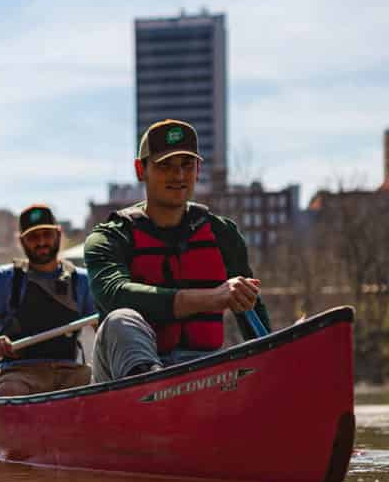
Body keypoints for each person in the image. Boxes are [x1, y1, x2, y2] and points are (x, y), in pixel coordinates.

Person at [84, 119, 271, 382]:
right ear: (141, 170)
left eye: (187, 165)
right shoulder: (109, 236)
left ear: (198, 169)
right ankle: (151, 391)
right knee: (119, 319)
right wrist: (213, 298)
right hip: (121, 378)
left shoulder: (223, 234)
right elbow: (115, 295)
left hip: (201, 372)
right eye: (165, 166)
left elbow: (253, 313)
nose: (179, 175)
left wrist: (273, 363)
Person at [0, 203, 95, 396]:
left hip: (71, 373)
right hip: (18, 373)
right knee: (9, 391)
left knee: (98, 386)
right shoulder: (6, 277)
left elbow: (102, 328)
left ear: (58, 234)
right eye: (33, 237)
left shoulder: (81, 280)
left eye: (47, 234)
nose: (41, 242)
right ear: (21, 241)